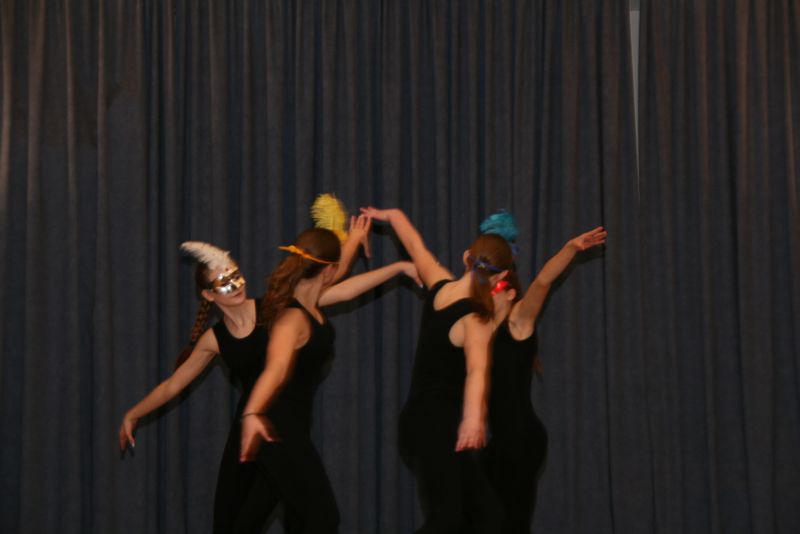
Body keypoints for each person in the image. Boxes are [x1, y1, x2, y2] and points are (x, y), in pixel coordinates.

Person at [117, 216, 377, 533]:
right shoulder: (214, 340)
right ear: (209, 295)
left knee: (310, 517)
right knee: (234, 523)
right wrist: (133, 414)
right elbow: (173, 385)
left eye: (236, 275)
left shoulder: (275, 308)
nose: (235, 284)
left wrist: (352, 243)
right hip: (250, 435)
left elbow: (324, 279)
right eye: (224, 282)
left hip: (282, 430)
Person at [236, 225, 420, 533]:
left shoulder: (312, 303)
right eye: (335, 268)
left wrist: (399, 267)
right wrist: (252, 413)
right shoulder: (292, 317)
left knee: (263, 518)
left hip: (288, 426)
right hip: (273, 429)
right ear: (328, 270)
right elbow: (276, 368)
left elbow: (348, 287)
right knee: (322, 518)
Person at [356, 206, 508, 533]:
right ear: (500, 277)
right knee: (447, 520)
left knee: (488, 516)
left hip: (419, 424)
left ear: (466, 257)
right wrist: (473, 419)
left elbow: (413, 243)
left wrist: (389, 214)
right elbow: (477, 371)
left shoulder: (439, 283)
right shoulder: (476, 318)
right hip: (438, 430)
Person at [482, 213, 607, 534]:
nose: (491, 290)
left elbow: (542, 282)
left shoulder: (519, 321)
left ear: (512, 293)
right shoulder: (479, 330)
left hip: (522, 440)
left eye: (499, 286)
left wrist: (570, 248)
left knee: (513, 522)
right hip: (498, 443)